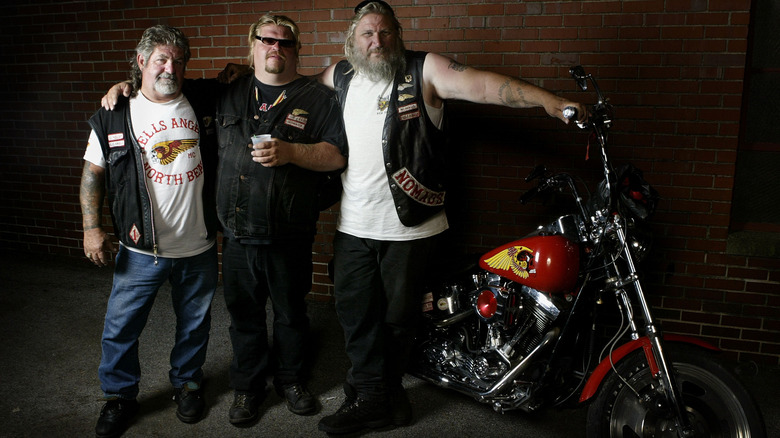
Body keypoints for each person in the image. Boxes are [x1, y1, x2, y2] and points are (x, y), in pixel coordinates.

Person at [314, 1, 588, 434]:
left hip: (411, 225)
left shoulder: (425, 69)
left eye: (385, 32)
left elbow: (484, 85)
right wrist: (243, 74)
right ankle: (385, 396)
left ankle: (371, 399)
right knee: (354, 312)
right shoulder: (339, 75)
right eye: (367, 34)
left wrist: (549, 102)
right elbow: (295, 91)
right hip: (353, 225)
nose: (377, 41)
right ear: (353, 39)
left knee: (397, 320)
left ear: (397, 35)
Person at [81, 25, 219, 438]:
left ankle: (189, 383)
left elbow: (245, 76)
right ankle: (119, 397)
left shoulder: (204, 100)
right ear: (140, 62)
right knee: (121, 326)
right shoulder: (114, 113)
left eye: (177, 59)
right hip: (140, 249)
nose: (169, 67)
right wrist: (92, 229)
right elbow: (92, 175)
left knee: (194, 323)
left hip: (198, 244)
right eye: (160, 58)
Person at [214, 14, 347, 426]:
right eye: (267, 40)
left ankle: (291, 380)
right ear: (252, 45)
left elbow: (337, 154)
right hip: (237, 234)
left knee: (291, 314)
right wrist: (124, 86)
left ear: (296, 50)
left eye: (285, 43)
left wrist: (291, 152)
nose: (276, 48)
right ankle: (248, 388)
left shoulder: (317, 98)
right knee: (245, 317)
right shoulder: (226, 92)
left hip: (288, 233)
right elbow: (163, 90)